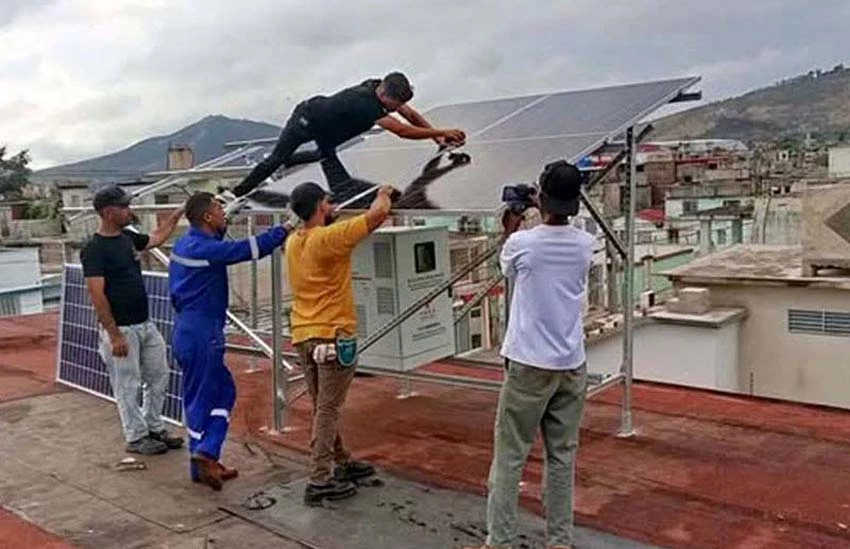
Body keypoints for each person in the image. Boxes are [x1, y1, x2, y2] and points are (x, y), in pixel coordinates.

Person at [467, 161, 594, 549]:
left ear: (543, 195)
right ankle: (559, 541)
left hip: (527, 365)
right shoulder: (586, 244)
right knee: (562, 458)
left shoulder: (523, 243)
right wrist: (543, 206)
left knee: (510, 457)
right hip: (571, 365)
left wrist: (517, 217)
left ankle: (500, 541)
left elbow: (507, 264)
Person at [168, 192, 289, 491]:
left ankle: (204, 458)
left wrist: (228, 215)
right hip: (202, 333)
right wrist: (286, 228)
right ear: (207, 217)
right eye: (219, 209)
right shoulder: (205, 249)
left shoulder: (186, 243)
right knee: (203, 397)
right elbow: (248, 249)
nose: (224, 212)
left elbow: (217, 241)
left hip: (189, 329)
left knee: (221, 392)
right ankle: (205, 452)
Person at [285, 180, 394, 506]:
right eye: (329, 202)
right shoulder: (328, 238)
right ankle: (319, 479)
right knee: (328, 409)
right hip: (333, 336)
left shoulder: (293, 241)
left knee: (323, 406)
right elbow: (377, 216)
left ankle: (342, 461)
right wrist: (384, 194)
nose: (333, 207)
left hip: (304, 335)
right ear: (320, 206)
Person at [224, 72, 466, 201]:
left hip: (328, 130)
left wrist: (437, 139)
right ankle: (236, 192)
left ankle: (289, 161)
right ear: (384, 95)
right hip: (306, 120)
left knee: (323, 155)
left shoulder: (381, 87)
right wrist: (442, 131)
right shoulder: (365, 103)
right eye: (394, 105)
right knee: (275, 160)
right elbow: (402, 131)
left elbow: (410, 115)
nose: (396, 109)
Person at [81, 185, 185, 455]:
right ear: (108, 212)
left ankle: (154, 426)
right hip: (122, 329)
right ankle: (136, 437)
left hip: (144, 323)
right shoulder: (94, 250)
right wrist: (114, 334)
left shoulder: (128, 237)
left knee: (158, 375)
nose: (129, 211)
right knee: (128, 385)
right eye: (124, 207)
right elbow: (96, 294)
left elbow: (156, 238)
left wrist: (178, 213)